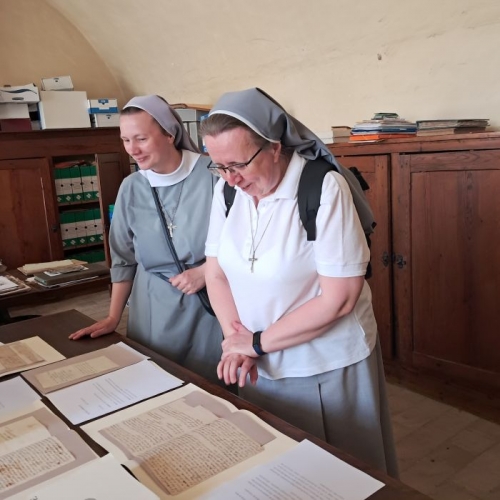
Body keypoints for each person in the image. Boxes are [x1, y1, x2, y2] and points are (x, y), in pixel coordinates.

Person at [200, 88, 399, 477]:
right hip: (257, 362)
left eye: (238, 164)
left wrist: (256, 343)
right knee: (280, 468)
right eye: (219, 166)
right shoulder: (227, 191)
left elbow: (340, 299)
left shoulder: (322, 188)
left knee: (343, 473)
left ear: (275, 147)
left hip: (325, 364)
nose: (231, 178)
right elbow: (216, 272)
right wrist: (236, 340)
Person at [70, 95, 222, 384]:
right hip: (150, 305)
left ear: (169, 134)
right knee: (154, 383)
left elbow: (244, 241)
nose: (132, 149)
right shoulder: (131, 187)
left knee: (207, 388)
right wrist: (113, 317)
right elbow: (123, 259)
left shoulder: (214, 175)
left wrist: (205, 271)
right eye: (126, 140)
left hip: (205, 304)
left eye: (141, 138)